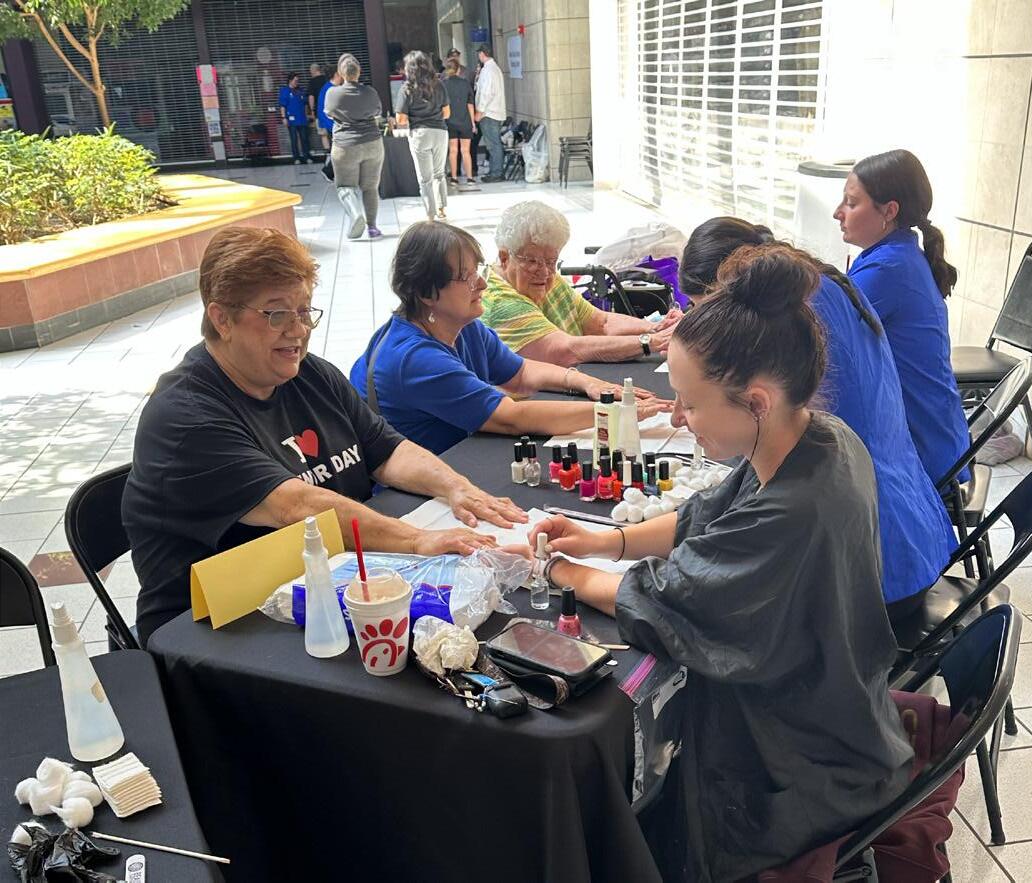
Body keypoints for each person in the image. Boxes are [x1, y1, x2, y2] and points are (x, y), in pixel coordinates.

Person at [527, 247, 912, 881]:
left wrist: (554, 571)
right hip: (841, 707)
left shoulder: (796, 508)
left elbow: (667, 598)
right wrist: (603, 542)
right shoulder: (817, 438)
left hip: (797, 762)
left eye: (690, 403)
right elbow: (700, 518)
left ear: (756, 401)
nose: (679, 418)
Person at [123, 227, 525, 646]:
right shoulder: (186, 417)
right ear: (222, 318)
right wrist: (418, 541)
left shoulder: (309, 374)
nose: (298, 331)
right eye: (277, 315)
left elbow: (388, 450)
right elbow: (295, 507)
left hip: (318, 584)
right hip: (215, 625)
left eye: (305, 311)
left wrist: (458, 489)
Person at [680, 218, 956, 621]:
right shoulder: (814, 290)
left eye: (705, 312)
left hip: (879, 567)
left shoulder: (800, 318)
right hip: (907, 529)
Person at [350, 222, 671, 454]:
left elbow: (520, 372)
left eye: (478, 271)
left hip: (463, 457)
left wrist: (587, 383)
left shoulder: (462, 325)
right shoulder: (414, 359)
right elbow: (512, 418)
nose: (482, 284)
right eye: (466, 278)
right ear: (426, 292)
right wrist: (614, 412)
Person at [835, 148, 969, 486]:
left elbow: (816, 332)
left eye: (851, 203)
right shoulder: (895, 254)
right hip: (935, 437)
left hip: (920, 453)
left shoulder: (889, 268)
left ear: (889, 211)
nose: (838, 213)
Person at [481, 201, 682, 365]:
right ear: (505, 258)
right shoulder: (500, 303)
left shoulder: (546, 280)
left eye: (551, 261)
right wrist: (651, 341)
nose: (544, 272)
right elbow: (567, 350)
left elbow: (601, 323)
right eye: (532, 261)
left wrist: (656, 328)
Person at [324, 53, 385, 240]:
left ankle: (356, 214)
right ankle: (372, 227)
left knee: (345, 186)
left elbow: (329, 113)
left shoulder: (333, 93)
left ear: (341, 73)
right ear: (359, 72)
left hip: (345, 146)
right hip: (373, 144)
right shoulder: (370, 92)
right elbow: (377, 112)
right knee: (370, 187)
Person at [395, 50, 451, 221]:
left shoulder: (406, 89)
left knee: (425, 179)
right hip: (440, 132)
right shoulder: (439, 84)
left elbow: (401, 119)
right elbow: (447, 113)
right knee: (439, 173)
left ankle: (430, 214)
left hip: (420, 134)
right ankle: (442, 209)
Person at [442, 58, 477, 188]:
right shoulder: (465, 83)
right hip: (465, 121)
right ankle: (470, 178)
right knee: (465, 151)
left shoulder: (443, 85)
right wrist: (473, 123)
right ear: (458, 70)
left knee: (453, 150)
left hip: (450, 121)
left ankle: (454, 178)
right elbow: (470, 104)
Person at [474, 45, 506, 182]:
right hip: (493, 112)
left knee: (493, 145)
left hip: (489, 113)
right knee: (494, 144)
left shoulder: (488, 70)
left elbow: (486, 93)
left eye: (479, 54)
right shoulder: (494, 68)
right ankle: (495, 171)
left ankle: (496, 173)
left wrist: (480, 111)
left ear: (482, 54)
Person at [278, 72, 312, 164]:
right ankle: (296, 158)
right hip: (291, 119)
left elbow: (305, 104)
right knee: (294, 139)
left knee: (304, 138)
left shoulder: (300, 90)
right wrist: (284, 117)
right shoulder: (285, 91)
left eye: (298, 81)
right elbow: (282, 106)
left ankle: (307, 156)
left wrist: (307, 115)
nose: (297, 82)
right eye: (295, 81)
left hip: (302, 118)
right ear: (290, 80)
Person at [315, 64, 341, 153]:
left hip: (333, 125)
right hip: (333, 125)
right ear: (336, 74)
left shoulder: (329, 88)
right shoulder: (330, 89)